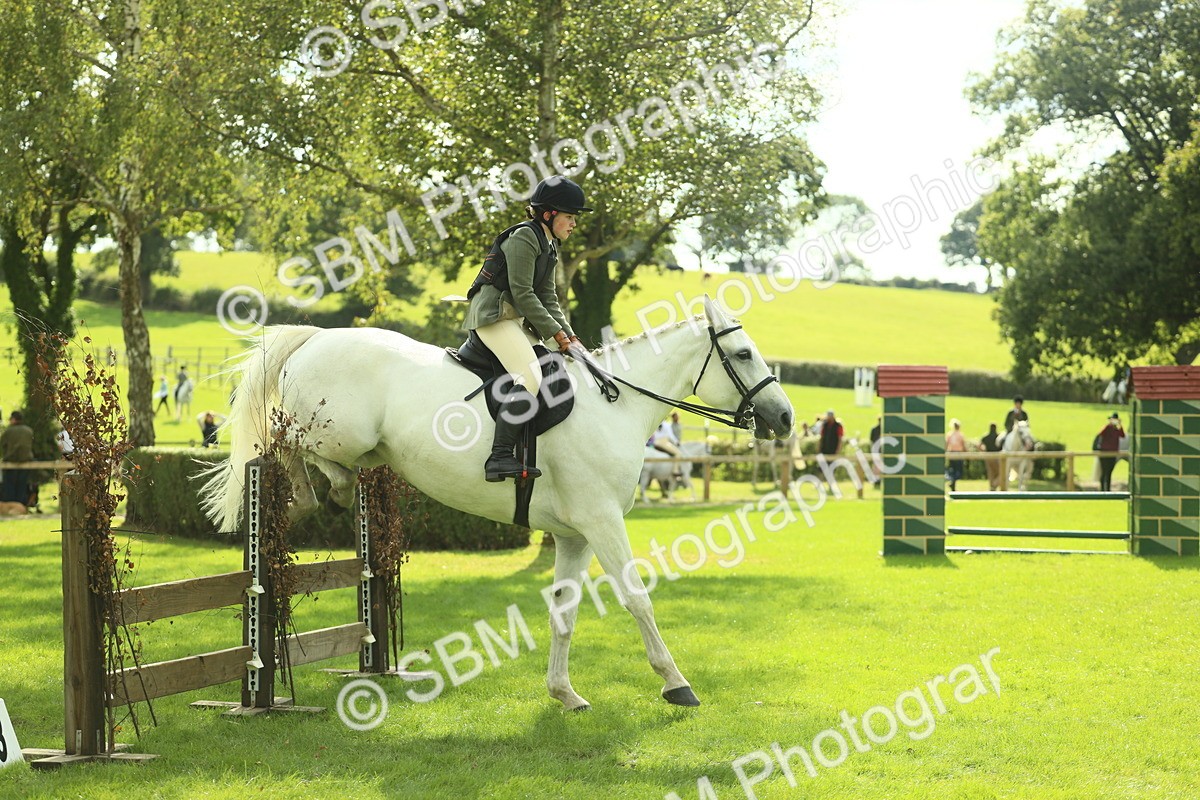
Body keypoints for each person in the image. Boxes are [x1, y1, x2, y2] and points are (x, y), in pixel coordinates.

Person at [462, 175, 591, 482]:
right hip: (493, 317)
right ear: (549, 214)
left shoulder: (550, 245)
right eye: (570, 217)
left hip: (513, 319)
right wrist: (557, 336)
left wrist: (570, 337)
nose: (574, 224)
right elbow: (523, 293)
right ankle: (499, 456)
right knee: (531, 375)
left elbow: (549, 298)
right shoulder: (524, 237)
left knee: (554, 365)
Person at [0, 411, 35, 505]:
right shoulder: (29, 430)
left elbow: (2, 444)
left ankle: (10, 505)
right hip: (26, 461)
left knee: (9, 485)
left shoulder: (8, 431)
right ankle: (21, 505)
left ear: (14, 420)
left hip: (10, 461)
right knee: (22, 485)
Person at [1096, 412, 1125, 492]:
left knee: (1109, 472)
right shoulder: (1107, 427)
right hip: (1104, 452)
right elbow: (1101, 434)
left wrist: (1120, 425)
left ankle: (1107, 490)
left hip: (1113, 453)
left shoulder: (1117, 429)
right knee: (1104, 471)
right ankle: (1102, 489)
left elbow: (1122, 435)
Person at [945, 419, 967, 491]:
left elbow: (946, 445)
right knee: (958, 470)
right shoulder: (960, 435)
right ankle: (953, 483)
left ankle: (952, 484)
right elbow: (963, 445)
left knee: (953, 469)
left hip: (951, 453)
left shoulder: (950, 434)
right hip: (958, 453)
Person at [980, 423, 1002, 491]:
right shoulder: (998, 437)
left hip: (988, 457)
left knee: (991, 473)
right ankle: (994, 485)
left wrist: (983, 451)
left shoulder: (986, 437)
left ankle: (992, 487)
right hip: (997, 457)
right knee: (1001, 473)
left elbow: (979, 445)